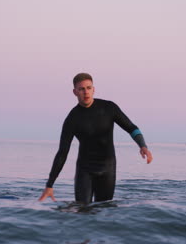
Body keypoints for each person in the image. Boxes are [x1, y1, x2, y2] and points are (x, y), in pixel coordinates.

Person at [38, 73, 153, 204]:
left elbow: (132, 128)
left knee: (104, 212)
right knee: (83, 210)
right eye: (81, 89)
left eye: (88, 88)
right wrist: (50, 184)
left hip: (107, 168)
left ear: (94, 89)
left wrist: (143, 146)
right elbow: (62, 153)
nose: (85, 92)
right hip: (84, 169)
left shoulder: (109, 108)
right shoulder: (72, 119)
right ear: (75, 92)